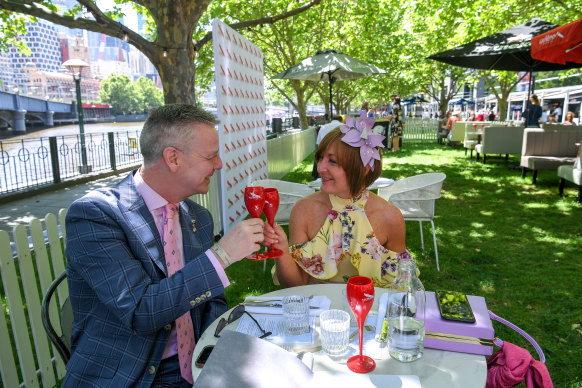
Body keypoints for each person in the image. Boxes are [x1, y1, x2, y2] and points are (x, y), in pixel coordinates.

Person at [63, 104, 266, 387]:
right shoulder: (95, 215)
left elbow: (213, 301)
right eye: (211, 156)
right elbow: (140, 312)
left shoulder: (199, 217)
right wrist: (221, 256)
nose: (219, 164)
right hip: (128, 376)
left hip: (196, 361)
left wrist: (215, 351)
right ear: (173, 158)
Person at [264, 116, 411, 288]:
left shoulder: (390, 217)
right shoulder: (304, 210)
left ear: (363, 168)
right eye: (320, 157)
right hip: (317, 312)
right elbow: (295, 286)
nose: (320, 168)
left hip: (369, 312)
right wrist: (280, 248)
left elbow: (401, 287)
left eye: (332, 161)